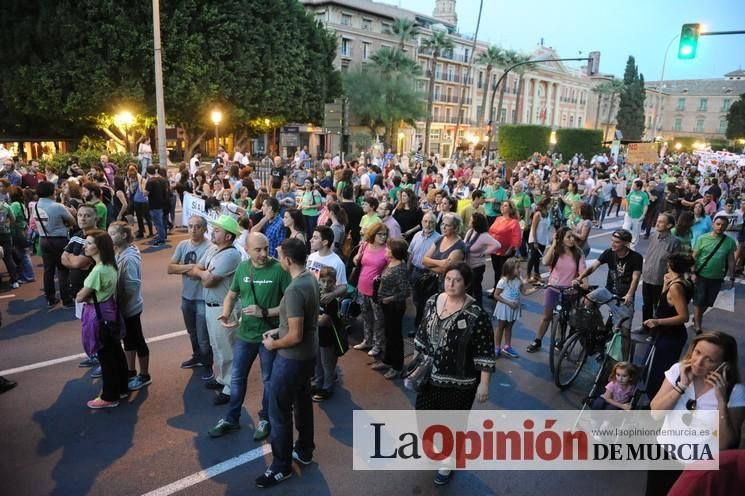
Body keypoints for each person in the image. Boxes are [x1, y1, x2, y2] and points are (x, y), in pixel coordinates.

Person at [413, 262, 496, 486]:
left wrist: (484, 384)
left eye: (457, 280)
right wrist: (415, 362)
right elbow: (422, 332)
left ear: (466, 283)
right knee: (424, 415)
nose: (451, 283)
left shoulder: (476, 315)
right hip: (430, 376)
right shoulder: (433, 301)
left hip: (461, 383)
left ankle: (447, 462)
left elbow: (485, 351)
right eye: (448, 278)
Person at [208, 233, 290, 441]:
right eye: (258, 250)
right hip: (245, 335)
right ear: (247, 249)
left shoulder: (280, 269)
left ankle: (265, 418)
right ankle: (231, 418)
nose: (264, 254)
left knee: (268, 380)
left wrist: (264, 312)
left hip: (268, 336)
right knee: (237, 378)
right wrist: (225, 312)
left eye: (266, 248)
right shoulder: (243, 268)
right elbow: (231, 294)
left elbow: (289, 304)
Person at [255, 238, 319, 488]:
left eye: (279, 255)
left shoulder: (294, 290)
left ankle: (281, 466)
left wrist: (273, 344)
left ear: (288, 260)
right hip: (307, 356)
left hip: (292, 359)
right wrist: (278, 333)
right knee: (302, 402)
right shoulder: (309, 278)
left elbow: (295, 335)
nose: (276, 258)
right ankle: (304, 450)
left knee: (278, 411)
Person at [648, 331, 745, 495]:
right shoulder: (678, 370)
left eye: (710, 359)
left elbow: (725, 444)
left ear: (724, 365)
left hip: (700, 468)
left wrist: (721, 400)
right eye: (698, 352)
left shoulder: (735, 392)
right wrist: (681, 386)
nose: (698, 362)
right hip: (664, 454)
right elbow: (655, 412)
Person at [190, 215, 243, 405]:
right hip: (211, 306)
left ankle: (230, 388)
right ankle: (222, 379)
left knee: (227, 349)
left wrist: (204, 274)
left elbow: (210, 281)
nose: (213, 232)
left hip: (224, 308)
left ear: (228, 236)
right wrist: (205, 273)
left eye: (218, 230)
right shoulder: (213, 249)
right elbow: (196, 270)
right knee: (217, 346)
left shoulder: (231, 255)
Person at [76, 230, 128, 409]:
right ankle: (121, 388)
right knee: (115, 353)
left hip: (99, 315)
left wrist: (81, 294)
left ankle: (109, 395)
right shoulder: (109, 265)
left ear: (100, 248)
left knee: (106, 357)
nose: (85, 245)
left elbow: (80, 297)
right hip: (110, 312)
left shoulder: (98, 271)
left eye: (89, 243)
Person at [574, 229, 642, 358]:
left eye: (617, 242)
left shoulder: (636, 258)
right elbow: (593, 267)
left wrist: (629, 294)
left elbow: (636, 278)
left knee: (625, 333)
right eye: (612, 241)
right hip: (607, 291)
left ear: (626, 244)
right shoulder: (608, 253)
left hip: (623, 297)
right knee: (587, 300)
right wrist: (579, 278)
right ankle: (600, 327)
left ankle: (625, 362)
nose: (613, 244)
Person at [642, 252, 694, 399]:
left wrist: (657, 321)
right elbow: (664, 303)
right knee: (652, 368)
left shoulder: (676, 287)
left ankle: (656, 402)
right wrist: (665, 284)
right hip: (665, 334)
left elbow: (683, 316)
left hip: (670, 336)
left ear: (671, 265)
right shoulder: (683, 281)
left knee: (658, 372)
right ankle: (654, 399)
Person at [527, 227, 586, 353]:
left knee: (563, 318)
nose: (571, 239)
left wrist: (583, 283)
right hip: (552, 288)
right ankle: (537, 340)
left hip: (570, 291)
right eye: (568, 237)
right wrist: (554, 243)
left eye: (572, 237)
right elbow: (545, 261)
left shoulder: (578, 253)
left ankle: (560, 340)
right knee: (547, 316)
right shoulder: (556, 251)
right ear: (561, 239)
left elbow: (583, 273)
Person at [168, 216, 213, 378]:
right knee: (192, 332)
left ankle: (208, 365)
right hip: (186, 297)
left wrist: (184, 268)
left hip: (202, 298)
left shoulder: (210, 247)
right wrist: (192, 268)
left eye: (198, 227)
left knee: (203, 337)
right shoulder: (182, 245)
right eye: (190, 226)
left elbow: (197, 275)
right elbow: (170, 268)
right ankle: (197, 357)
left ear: (205, 229)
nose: (193, 230)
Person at [108, 222, 150, 391]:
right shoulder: (119, 252)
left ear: (124, 235)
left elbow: (131, 285)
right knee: (128, 341)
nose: (109, 237)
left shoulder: (129, 257)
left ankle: (144, 375)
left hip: (130, 308)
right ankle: (131, 371)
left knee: (137, 339)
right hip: (124, 308)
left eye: (112, 234)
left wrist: (120, 304)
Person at [370, 237, 411, 380]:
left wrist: (390, 298)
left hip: (394, 308)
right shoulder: (391, 263)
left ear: (395, 252)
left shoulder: (399, 269)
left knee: (395, 337)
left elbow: (406, 291)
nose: (386, 250)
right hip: (386, 306)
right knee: (389, 334)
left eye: (388, 248)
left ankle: (397, 367)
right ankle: (387, 361)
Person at [691, 215, 737, 334]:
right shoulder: (702, 239)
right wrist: (693, 272)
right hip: (701, 275)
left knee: (708, 303)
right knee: (698, 300)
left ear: (727, 227)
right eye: (718, 224)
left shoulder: (730, 242)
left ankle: (696, 318)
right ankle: (698, 326)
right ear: (713, 224)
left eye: (723, 225)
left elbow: (731, 260)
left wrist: (732, 276)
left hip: (717, 278)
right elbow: (694, 257)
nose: (720, 227)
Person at [34, 181, 74, 307]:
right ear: (52, 192)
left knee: (48, 270)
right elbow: (72, 221)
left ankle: (50, 298)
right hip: (59, 240)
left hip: (44, 239)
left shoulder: (35, 206)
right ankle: (66, 300)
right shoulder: (57, 206)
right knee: (63, 270)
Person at [352, 222, 389, 357]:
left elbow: (390, 270)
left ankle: (377, 344)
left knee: (379, 320)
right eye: (380, 234)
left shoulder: (387, 251)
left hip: (376, 291)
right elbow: (357, 260)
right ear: (373, 234)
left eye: (385, 234)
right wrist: (357, 258)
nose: (383, 237)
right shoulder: (366, 245)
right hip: (362, 287)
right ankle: (367, 340)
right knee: (366, 317)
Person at [640, 213, 681, 329]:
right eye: (657, 220)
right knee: (646, 305)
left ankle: (656, 330)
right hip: (647, 276)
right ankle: (645, 327)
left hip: (660, 280)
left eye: (661, 222)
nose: (657, 223)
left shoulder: (674, 241)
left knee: (658, 307)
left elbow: (674, 263)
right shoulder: (653, 235)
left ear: (669, 225)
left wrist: (670, 279)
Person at [492, 257, 536, 358]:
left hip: (514, 308)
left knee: (509, 327)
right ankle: (497, 347)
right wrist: (508, 303)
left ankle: (507, 346)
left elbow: (524, 292)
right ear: (510, 269)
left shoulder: (519, 280)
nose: (520, 269)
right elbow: (496, 295)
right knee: (501, 327)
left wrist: (536, 288)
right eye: (517, 268)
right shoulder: (503, 281)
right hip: (504, 308)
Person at [311, 266, 343, 401]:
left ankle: (327, 387)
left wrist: (311, 319)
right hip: (318, 336)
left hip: (328, 338)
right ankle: (319, 383)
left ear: (334, 282)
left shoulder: (331, 300)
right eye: (323, 281)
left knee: (327, 364)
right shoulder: (318, 294)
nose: (326, 285)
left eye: (330, 281)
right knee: (317, 362)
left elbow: (324, 321)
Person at [408, 213, 441, 332]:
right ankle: (418, 327)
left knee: (428, 303)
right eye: (426, 221)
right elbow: (411, 255)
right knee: (417, 301)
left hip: (430, 275)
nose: (428, 224)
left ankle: (425, 329)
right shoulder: (416, 235)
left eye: (431, 222)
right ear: (422, 222)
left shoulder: (439, 239)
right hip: (416, 272)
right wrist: (408, 272)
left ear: (435, 224)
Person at [463, 212, 501, 306]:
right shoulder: (470, 232)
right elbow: (464, 244)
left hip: (477, 267)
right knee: (468, 289)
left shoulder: (484, 236)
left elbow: (497, 245)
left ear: (476, 222)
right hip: (467, 265)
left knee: (475, 289)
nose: (469, 221)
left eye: (471, 220)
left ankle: (479, 307)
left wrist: (483, 253)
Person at [488, 201, 521, 292]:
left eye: (505, 206)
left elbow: (516, 237)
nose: (502, 207)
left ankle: (503, 292)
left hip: (505, 252)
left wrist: (511, 249)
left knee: (504, 273)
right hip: (494, 250)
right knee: (497, 272)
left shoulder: (514, 222)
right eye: (502, 205)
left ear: (510, 209)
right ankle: (496, 290)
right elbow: (491, 232)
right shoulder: (498, 218)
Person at [527, 197, 551, 284]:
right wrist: (535, 241)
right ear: (545, 204)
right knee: (533, 258)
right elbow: (533, 228)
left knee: (538, 258)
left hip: (543, 239)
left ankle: (537, 274)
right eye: (549, 203)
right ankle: (528, 275)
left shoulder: (547, 213)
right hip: (535, 239)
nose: (550, 205)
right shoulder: (537, 214)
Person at [144, 166, 169, 246]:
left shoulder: (150, 181)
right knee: (162, 221)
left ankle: (161, 239)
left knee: (158, 223)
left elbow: (146, 193)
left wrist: (143, 186)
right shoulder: (162, 180)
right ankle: (162, 236)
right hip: (163, 203)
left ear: (147, 172)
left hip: (154, 204)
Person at [0, 197, 18, 289]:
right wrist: (8, 227)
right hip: (5, 234)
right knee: (8, 257)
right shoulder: (5, 205)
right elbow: (13, 218)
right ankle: (14, 280)